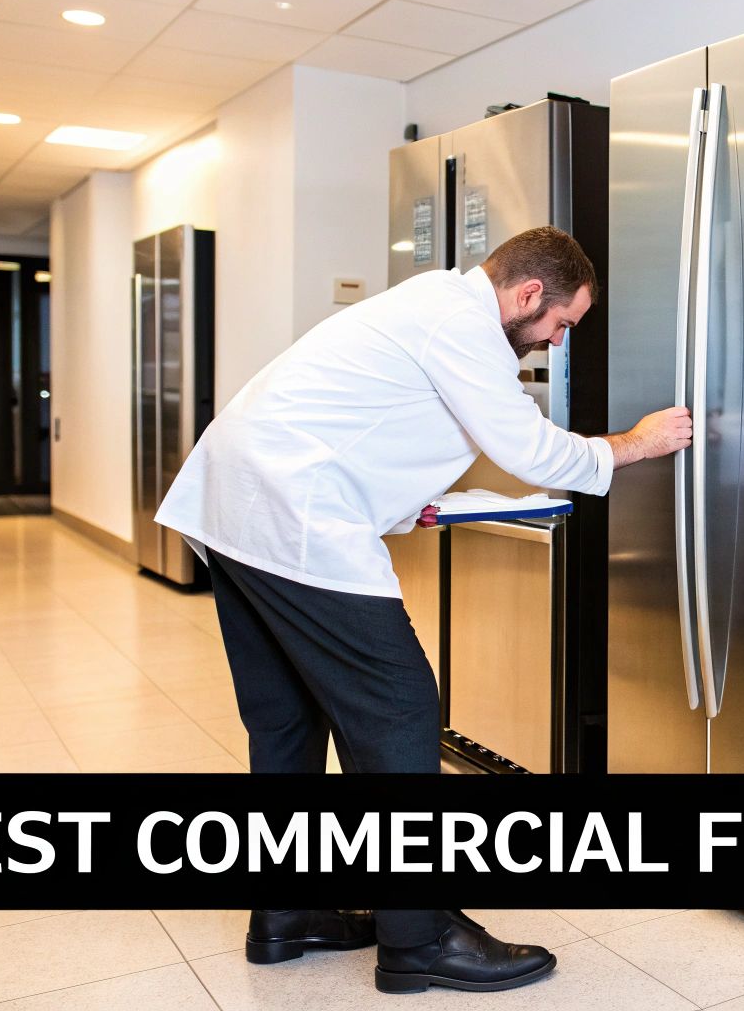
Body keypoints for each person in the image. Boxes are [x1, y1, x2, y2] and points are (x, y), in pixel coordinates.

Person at [154, 226, 691, 994]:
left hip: (237, 506)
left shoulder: (434, 305)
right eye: (560, 324)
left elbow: (372, 423)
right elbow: (533, 451)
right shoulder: (463, 323)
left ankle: (287, 911)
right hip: (295, 516)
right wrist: (634, 444)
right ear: (529, 295)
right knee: (401, 713)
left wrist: (410, 504)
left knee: (288, 720)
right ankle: (420, 934)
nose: (554, 341)